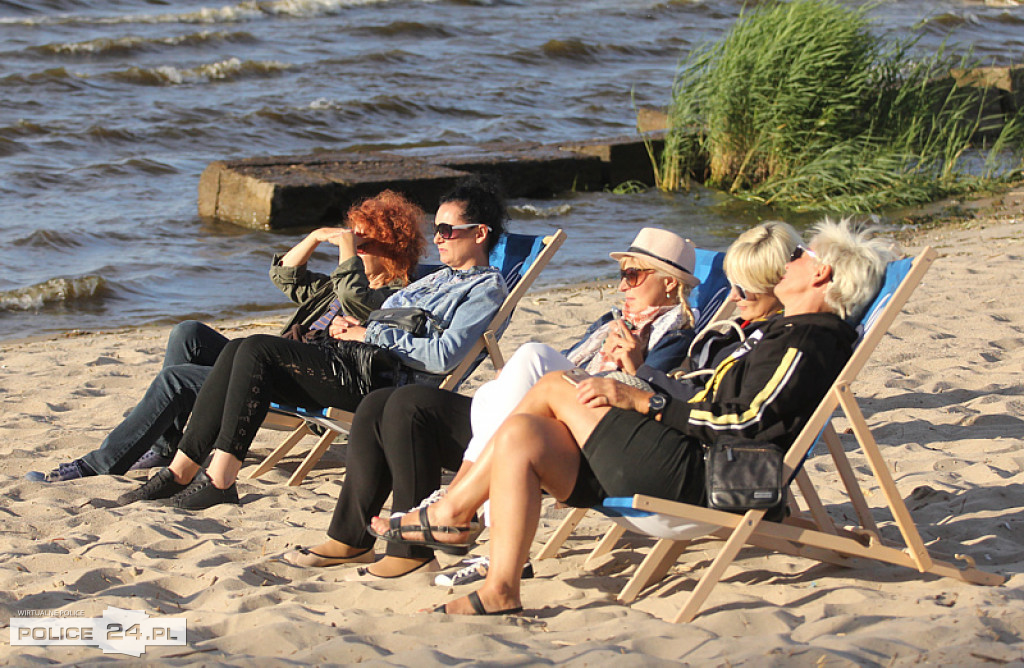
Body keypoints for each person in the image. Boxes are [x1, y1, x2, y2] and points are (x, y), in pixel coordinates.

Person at [371, 218, 893, 615]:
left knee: (553, 383)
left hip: (716, 476)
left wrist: (647, 400)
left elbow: (744, 422)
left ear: (821, 273)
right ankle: (501, 587)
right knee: (525, 432)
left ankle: (453, 513)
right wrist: (647, 383)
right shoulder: (780, 332)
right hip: (684, 458)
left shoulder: (810, 340)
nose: (789, 260)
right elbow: (712, 394)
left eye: (800, 255)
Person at [284, 227, 702, 580]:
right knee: (393, 403)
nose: (623, 284)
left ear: (669, 281)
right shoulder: (608, 323)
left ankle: (456, 506)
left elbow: (646, 395)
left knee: (534, 354)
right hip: (538, 418)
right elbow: (570, 364)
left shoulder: (678, 332)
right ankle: (352, 538)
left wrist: (635, 364)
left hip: (584, 434)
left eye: (634, 274)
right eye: (621, 274)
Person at [116, 174, 509, 511]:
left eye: (447, 231)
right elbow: (385, 311)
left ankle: (220, 481)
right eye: (435, 229)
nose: (438, 238)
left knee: (257, 349)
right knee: (240, 349)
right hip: (351, 358)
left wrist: (368, 332)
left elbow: (443, 356)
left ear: (479, 234)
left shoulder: (485, 288)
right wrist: (358, 323)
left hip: (381, 381)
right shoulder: (435, 278)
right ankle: (180, 471)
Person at [26, 191, 425, 483]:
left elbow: (357, 299)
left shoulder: (395, 295)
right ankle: (167, 448)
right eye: (351, 238)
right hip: (274, 363)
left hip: (305, 384)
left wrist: (346, 253)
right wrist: (315, 237)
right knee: (188, 335)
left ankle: (98, 465)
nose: (351, 245)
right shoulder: (331, 289)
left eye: (361, 241)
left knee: (177, 380)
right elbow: (284, 275)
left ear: (391, 246)